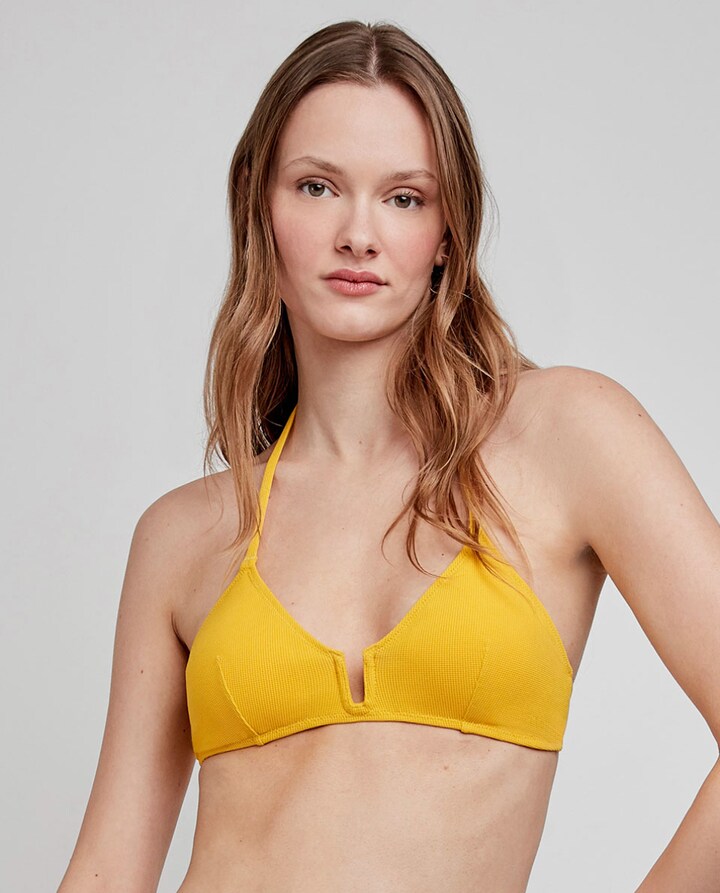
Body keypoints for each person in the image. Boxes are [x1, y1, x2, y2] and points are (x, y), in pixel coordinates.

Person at [57, 19, 719, 893]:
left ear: (447, 232)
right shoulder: (182, 536)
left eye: (404, 197)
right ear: (261, 207)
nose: (358, 235)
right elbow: (106, 869)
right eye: (318, 186)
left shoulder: (567, 435)